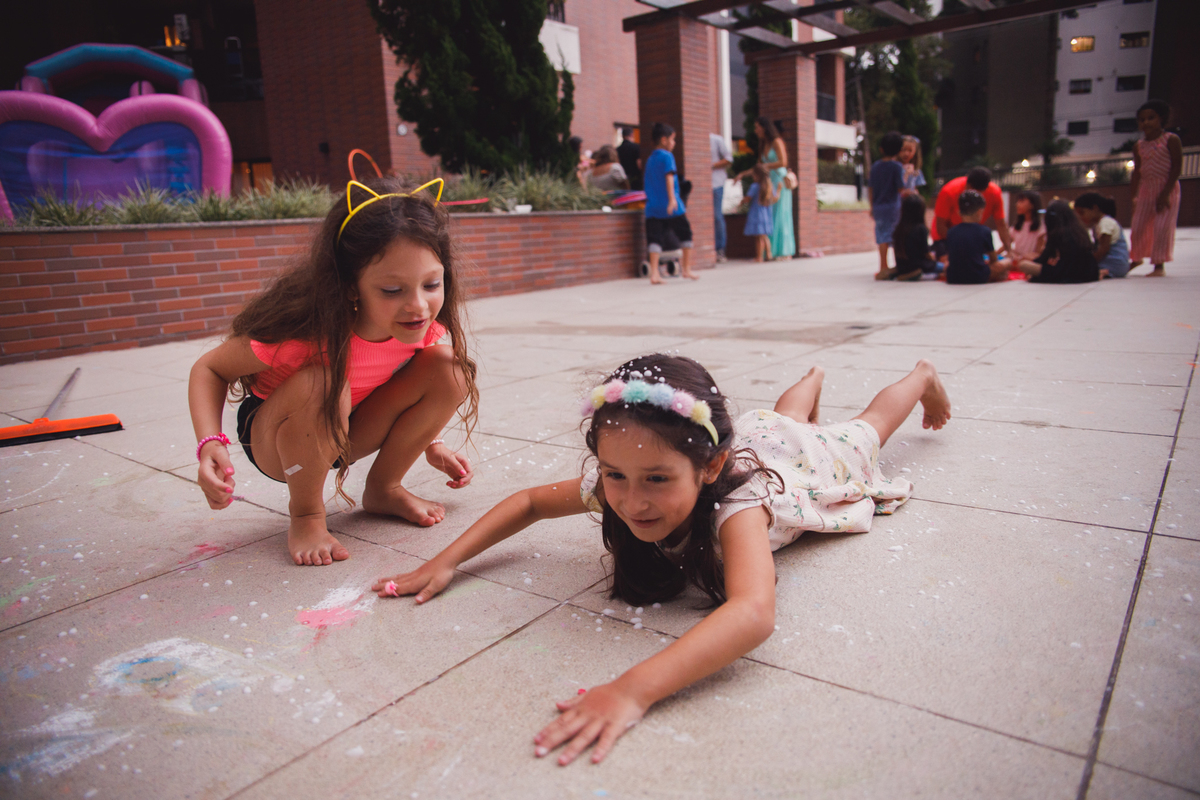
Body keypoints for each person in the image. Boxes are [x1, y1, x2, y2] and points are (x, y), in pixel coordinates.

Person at [373, 353, 952, 766]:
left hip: (802, 463)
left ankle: (919, 373)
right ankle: (811, 378)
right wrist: (446, 561)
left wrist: (633, 690)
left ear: (709, 468)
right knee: (781, 421)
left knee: (863, 431)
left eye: (656, 479)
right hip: (756, 438)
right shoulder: (633, 474)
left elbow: (753, 612)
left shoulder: (739, 504)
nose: (631, 499)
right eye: (614, 474)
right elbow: (527, 503)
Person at [189, 178, 479, 566]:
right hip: (278, 442)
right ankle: (307, 514)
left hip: (347, 429)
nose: (418, 306)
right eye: (392, 290)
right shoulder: (304, 335)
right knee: (323, 380)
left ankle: (384, 488)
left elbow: (420, 382)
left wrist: (433, 443)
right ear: (351, 288)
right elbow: (209, 368)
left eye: (431, 284)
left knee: (451, 369)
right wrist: (210, 443)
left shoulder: (426, 331)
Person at [1129, 100, 1182, 277]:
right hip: (1146, 188)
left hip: (1166, 187)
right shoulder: (1138, 146)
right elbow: (1137, 171)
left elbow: (1176, 168)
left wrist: (1165, 193)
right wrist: (1134, 195)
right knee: (1138, 226)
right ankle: (1136, 257)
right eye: (1142, 119)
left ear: (1162, 119)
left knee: (1161, 227)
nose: (1146, 123)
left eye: (1151, 118)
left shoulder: (1171, 140)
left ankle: (1159, 265)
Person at [642, 122, 697, 283]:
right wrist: (672, 199)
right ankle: (686, 270)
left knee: (654, 239)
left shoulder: (650, 159)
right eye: (672, 140)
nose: (673, 144)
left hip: (652, 207)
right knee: (686, 235)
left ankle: (654, 274)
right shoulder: (667, 157)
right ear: (664, 140)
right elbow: (669, 177)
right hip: (671, 207)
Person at [932, 167, 1013, 260]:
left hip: (971, 238)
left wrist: (1009, 251)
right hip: (946, 238)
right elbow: (940, 226)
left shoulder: (994, 193)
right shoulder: (949, 191)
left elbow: (1001, 224)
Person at [1013, 199, 1098, 284]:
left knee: (1023, 265)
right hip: (1088, 272)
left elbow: (1045, 257)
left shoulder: (1057, 232)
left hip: (1066, 273)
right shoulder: (1079, 230)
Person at [755, 116, 795, 259]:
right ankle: (770, 251)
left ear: (764, 127)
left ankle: (784, 251)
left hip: (779, 181)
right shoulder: (763, 144)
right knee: (769, 215)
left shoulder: (777, 141)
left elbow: (783, 162)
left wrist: (766, 166)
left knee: (781, 214)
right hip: (768, 181)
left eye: (757, 127)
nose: (755, 130)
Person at [945, 190, 1004, 284]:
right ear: (980, 211)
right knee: (1006, 263)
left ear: (958, 212)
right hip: (978, 276)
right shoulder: (985, 231)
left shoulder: (951, 231)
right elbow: (993, 259)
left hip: (953, 277)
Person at [869, 131, 906, 279]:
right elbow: (900, 188)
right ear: (899, 150)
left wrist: (871, 206)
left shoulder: (875, 166)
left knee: (881, 237)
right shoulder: (897, 167)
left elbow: (871, 188)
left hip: (878, 207)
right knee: (895, 236)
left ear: (881, 149)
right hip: (893, 207)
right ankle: (897, 266)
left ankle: (882, 266)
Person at [1073, 192, 1130, 279]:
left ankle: (1102, 272)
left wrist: (1090, 262)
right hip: (1114, 264)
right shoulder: (1098, 224)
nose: (1081, 217)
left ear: (1095, 208)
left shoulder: (1105, 223)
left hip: (1114, 264)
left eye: (1082, 213)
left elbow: (1104, 249)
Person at [890, 193, 937, 281]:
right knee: (943, 266)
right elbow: (925, 253)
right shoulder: (921, 229)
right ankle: (915, 274)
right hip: (918, 265)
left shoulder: (899, 228)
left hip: (901, 266)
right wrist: (934, 257)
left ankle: (902, 274)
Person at [742, 164, 777, 262]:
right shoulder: (769, 186)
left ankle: (759, 256)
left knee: (758, 237)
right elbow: (774, 199)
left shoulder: (755, 186)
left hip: (757, 214)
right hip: (766, 214)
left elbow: (748, 198)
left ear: (757, 175)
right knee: (765, 236)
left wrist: (742, 201)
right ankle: (769, 254)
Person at [710, 132, 733, 262]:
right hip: (702, 184)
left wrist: (710, 165)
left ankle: (720, 250)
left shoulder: (716, 139)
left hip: (717, 183)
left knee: (717, 216)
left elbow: (729, 159)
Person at [1007, 190, 1045, 265]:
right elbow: (1006, 245)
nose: (1017, 204)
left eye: (1021, 201)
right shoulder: (1017, 225)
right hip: (1016, 259)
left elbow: (1038, 253)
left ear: (1032, 205)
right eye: (1018, 201)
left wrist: (1023, 257)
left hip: (1029, 261)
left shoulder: (1041, 227)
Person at [617, 126, 643, 191]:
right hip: (636, 181)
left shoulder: (617, 150)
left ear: (622, 136)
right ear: (632, 135)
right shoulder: (636, 147)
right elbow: (639, 164)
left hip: (622, 182)